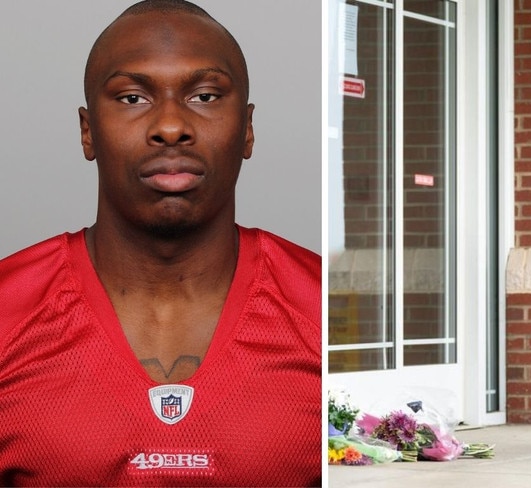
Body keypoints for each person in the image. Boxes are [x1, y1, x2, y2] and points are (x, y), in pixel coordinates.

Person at [0, 1, 321, 486]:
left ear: (248, 129)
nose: (171, 126)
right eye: (132, 98)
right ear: (88, 132)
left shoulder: (321, 312)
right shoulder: (8, 310)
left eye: (206, 95)